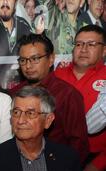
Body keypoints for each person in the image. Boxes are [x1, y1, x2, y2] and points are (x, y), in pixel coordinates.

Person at [55, 25, 106, 171]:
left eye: (91, 44)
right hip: (57, 163)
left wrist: (100, 164)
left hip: (95, 166)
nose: (83, 49)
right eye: (79, 44)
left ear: (104, 51)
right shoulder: (56, 76)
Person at [10, 34, 89, 163]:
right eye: (23, 60)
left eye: (35, 59)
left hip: (55, 168)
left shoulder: (67, 94)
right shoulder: (14, 93)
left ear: (51, 59)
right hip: (17, 167)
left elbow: (79, 144)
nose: (28, 66)